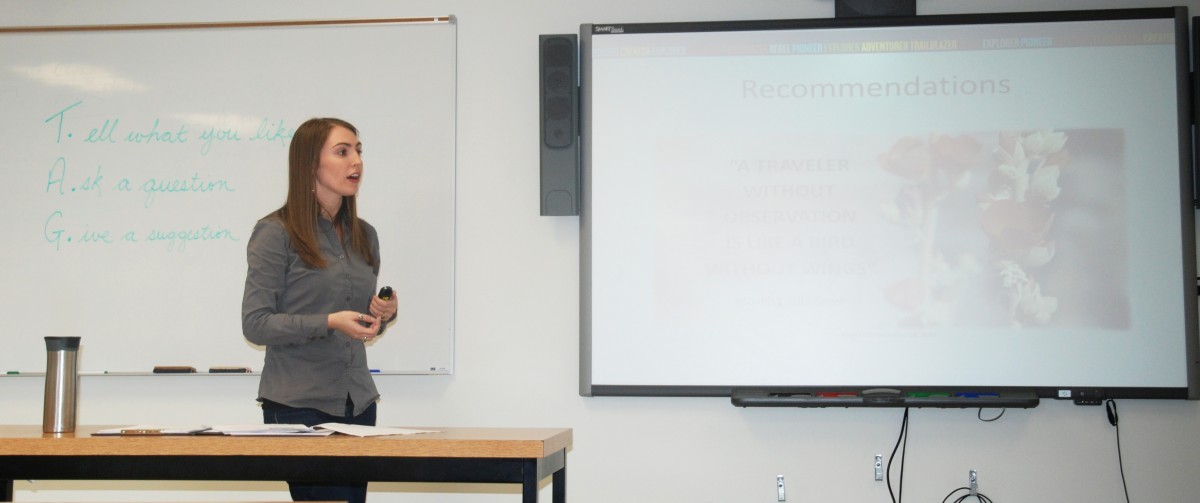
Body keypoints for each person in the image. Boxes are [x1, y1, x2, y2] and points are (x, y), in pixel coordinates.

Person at [241, 117, 397, 503]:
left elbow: (360, 321)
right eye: (342, 152)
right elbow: (256, 323)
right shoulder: (276, 232)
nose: (356, 161)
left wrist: (382, 314)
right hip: (299, 407)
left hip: (357, 403)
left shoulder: (366, 235)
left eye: (358, 151)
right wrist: (330, 322)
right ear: (310, 163)